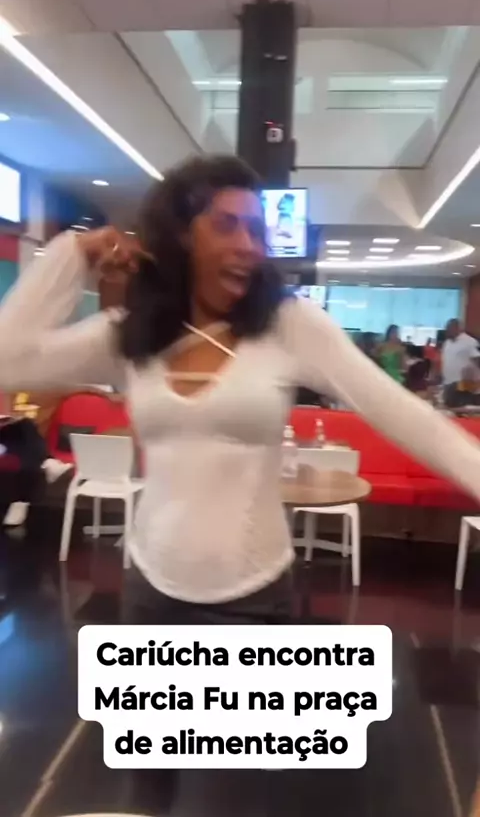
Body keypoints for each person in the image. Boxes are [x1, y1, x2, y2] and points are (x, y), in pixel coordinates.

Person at [1, 155, 480, 624]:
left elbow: (404, 414)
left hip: (253, 597)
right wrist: (72, 254)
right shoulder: (131, 334)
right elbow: (8, 362)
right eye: (226, 226)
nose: (248, 245)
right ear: (180, 236)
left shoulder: (289, 325)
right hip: (149, 590)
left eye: (255, 230)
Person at [442, 319, 480, 408]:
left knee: (462, 407)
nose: (447, 330)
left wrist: (475, 381)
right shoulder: (447, 343)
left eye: (449, 328)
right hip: (448, 382)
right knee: (448, 408)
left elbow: (477, 360)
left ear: (457, 328)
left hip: (463, 383)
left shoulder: (470, 342)